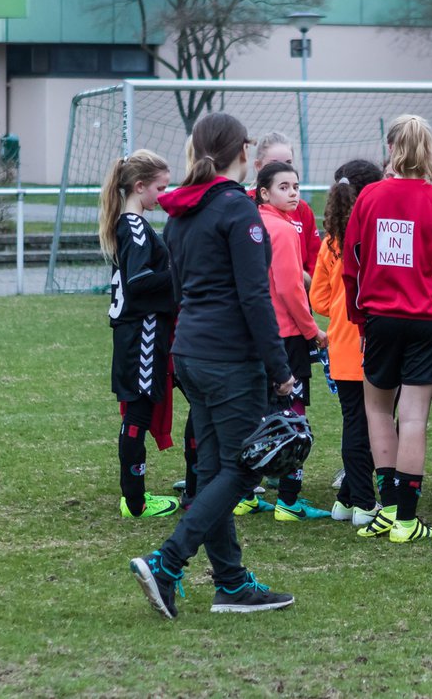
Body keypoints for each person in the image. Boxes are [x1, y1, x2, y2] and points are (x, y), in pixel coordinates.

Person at [129, 113, 295, 619]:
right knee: (244, 472)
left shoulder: (180, 211)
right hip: (228, 359)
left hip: (192, 354)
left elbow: (180, 290)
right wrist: (281, 368)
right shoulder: (235, 211)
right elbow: (254, 298)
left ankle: (231, 583)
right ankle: (168, 561)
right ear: (243, 151)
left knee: (216, 470)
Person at [342, 114, 432, 543]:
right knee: (414, 415)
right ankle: (405, 519)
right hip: (429, 319)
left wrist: (360, 318)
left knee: (378, 410)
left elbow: (353, 266)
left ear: (392, 150)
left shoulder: (369, 199)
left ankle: (386, 510)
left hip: (382, 318)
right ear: (429, 152)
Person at [99, 149, 180, 519]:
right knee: (138, 414)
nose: (164, 195)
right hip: (142, 331)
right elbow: (138, 281)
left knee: (137, 411)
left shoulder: (131, 224)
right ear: (139, 186)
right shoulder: (134, 226)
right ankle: (136, 501)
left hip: (136, 332)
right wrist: (179, 276)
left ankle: (134, 497)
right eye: (161, 188)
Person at [252, 161, 331, 521]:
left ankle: (245, 493)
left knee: (259, 412)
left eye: (296, 186)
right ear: (264, 192)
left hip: (257, 333)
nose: (294, 192)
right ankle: (288, 499)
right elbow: (289, 288)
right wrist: (312, 329)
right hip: (286, 335)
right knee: (292, 415)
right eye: (284, 187)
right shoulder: (282, 231)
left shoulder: (253, 224)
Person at [309, 159, 385, 527]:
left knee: (356, 419)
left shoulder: (331, 243)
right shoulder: (373, 237)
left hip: (340, 343)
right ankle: (365, 503)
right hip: (368, 340)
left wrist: (339, 309)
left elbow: (318, 299)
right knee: (370, 423)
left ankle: (345, 499)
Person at [254, 132, 320, 280]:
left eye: (288, 163)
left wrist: (309, 283)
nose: (282, 169)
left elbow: (316, 257)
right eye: (274, 163)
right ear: (258, 166)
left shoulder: (302, 209)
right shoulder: (247, 204)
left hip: (301, 292)